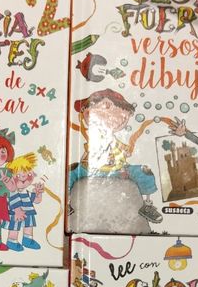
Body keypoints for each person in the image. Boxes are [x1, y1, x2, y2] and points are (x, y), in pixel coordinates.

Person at [69, 89, 162, 224]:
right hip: (90, 169)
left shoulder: (113, 138)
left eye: (125, 116)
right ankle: (67, 203)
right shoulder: (94, 136)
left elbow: (120, 147)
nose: (122, 120)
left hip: (118, 170)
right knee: (70, 172)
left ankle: (147, 205)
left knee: (145, 171)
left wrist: (124, 155)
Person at [3, 152, 44, 251]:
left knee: (28, 226)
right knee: (14, 227)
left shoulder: (27, 192)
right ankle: (12, 241)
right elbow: (11, 202)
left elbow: (37, 200)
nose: (24, 178)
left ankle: (27, 240)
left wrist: (39, 193)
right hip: (15, 214)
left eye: (28, 174)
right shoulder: (12, 192)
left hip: (28, 213)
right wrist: (17, 211)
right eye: (18, 176)